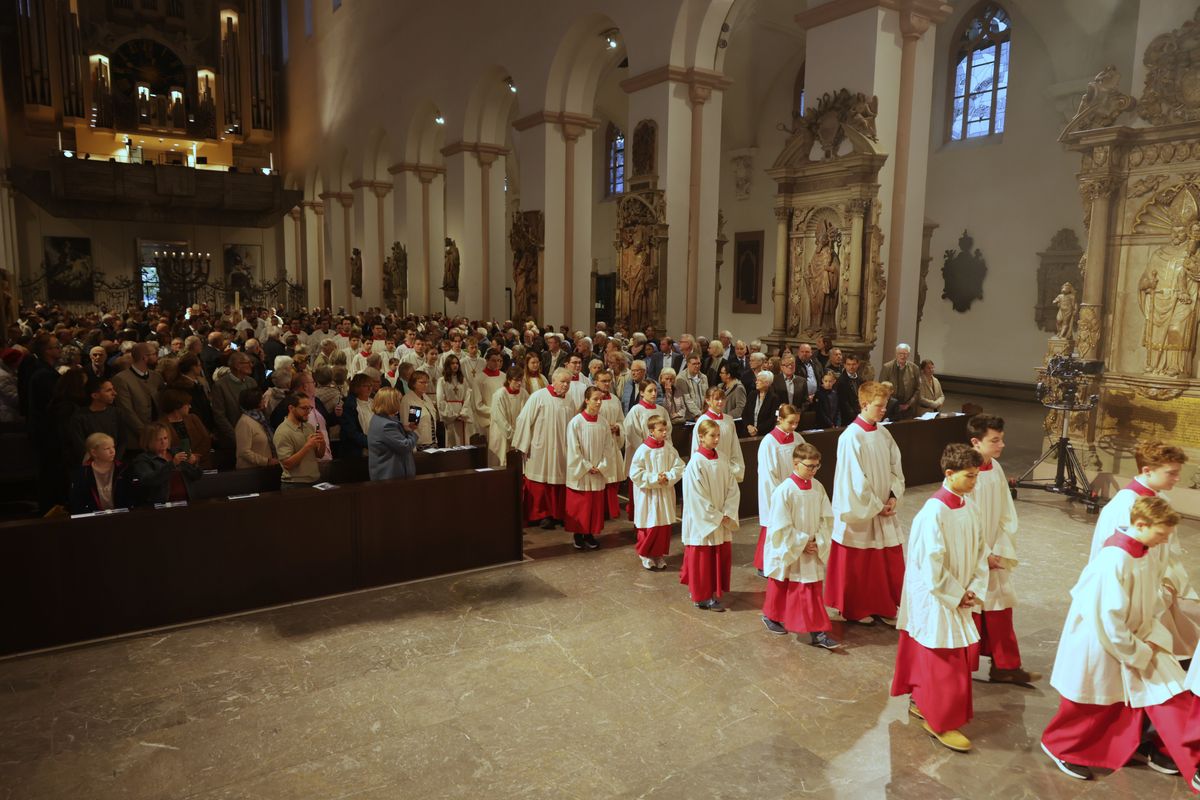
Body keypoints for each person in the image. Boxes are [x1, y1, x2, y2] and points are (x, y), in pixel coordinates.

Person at [1042, 496, 1200, 788]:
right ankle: (1060, 746)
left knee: (1140, 698)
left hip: (1134, 638)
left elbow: (1149, 599)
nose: (1165, 540)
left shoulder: (1142, 552)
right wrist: (1138, 650)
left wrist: (1151, 636)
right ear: (1141, 524)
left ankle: (1146, 745)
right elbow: (1108, 619)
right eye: (1161, 533)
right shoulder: (1114, 560)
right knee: (1090, 703)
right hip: (1100, 643)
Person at [891, 443, 988, 753]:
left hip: (960, 593)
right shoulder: (934, 512)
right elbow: (931, 563)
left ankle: (923, 702)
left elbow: (980, 550)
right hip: (937, 597)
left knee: (943, 658)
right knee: (942, 661)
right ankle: (939, 720)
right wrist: (956, 594)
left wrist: (974, 587)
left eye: (976, 476)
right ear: (949, 474)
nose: (974, 482)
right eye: (970, 476)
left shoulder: (967, 505)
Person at [1088, 440, 1199, 660]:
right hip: (1128, 594)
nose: (1177, 479)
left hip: (1151, 586)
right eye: (1171, 473)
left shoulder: (1155, 498)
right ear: (1147, 471)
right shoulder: (1126, 506)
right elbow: (1122, 557)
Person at [825, 381, 906, 625]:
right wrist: (875, 505)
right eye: (879, 406)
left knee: (884, 559)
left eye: (884, 406)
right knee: (860, 562)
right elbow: (854, 480)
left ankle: (883, 605)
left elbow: (896, 466)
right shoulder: (851, 437)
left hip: (883, 506)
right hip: (863, 510)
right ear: (864, 404)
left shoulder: (883, 432)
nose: (884, 410)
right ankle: (857, 608)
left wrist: (893, 495)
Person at [967, 415, 1041, 684]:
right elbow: (963, 520)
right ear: (976, 442)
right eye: (995, 440)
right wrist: (982, 553)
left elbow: (1005, 513)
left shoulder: (994, 467)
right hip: (972, 557)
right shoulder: (966, 474)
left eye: (1001, 439)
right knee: (970, 611)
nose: (1002, 445)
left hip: (995, 551)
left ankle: (1005, 666)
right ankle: (962, 668)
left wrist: (998, 548)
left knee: (1000, 607)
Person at [761, 442, 839, 649]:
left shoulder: (818, 487)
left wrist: (818, 541)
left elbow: (827, 518)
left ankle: (817, 631)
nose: (813, 471)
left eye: (816, 466)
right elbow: (779, 524)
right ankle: (773, 617)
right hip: (792, 545)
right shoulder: (784, 491)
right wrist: (802, 542)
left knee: (809, 588)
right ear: (796, 464)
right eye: (809, 466)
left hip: (810, 545)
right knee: (783, 582)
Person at [680, 418, 740, 611]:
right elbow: (696, 497)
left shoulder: (722, 458)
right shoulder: (695, 463)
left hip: (721, 516)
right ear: (701, 437)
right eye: (712, 436)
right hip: (705, 521)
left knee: (716, 556)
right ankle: (701, 596)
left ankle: (712, 591)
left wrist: (728, 512)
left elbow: (732, 487)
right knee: (702, 559)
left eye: (718, 436)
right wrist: (716, 516)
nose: (716, 440)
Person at [512, 367, 573, 529]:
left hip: (562, 448)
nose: (566, 385)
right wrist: (523, 446)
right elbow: (524, 420)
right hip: (541, 447)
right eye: (563, 382)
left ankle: (557, 513)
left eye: (569, 382)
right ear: (553, 381)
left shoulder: (570, 400)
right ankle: (540, 514)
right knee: (541, 479)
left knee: (559, 480)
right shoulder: (538, 396)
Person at [629, 414, 685, 571]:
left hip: (664, 493)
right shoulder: (643, 450)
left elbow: (679, 466)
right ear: (651, 431)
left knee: (662, 526)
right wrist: (654, 478)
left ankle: (658, 554)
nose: (665, 433)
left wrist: (667, 476)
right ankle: (645, 554)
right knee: (649, 525)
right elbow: (635, 473)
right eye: (661, 430)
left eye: (665, 430)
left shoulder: (668, 448)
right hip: (648, 495)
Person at [754, 404, 804, 575]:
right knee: (773, 525)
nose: (794, 427)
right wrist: (780, 496)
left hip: (794, 490)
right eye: (791, 423)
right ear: (780, 419)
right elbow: (768, 474)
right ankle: (765, 563)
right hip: (777, 492)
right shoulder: (769, 442)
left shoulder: (797, 438)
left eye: (797, 422)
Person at [565, 386, 610, 551]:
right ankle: (578, 535)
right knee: (581, 505)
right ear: (586, 400)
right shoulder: (576, 422)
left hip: (597, 470)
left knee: (594, 505)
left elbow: (608, 447)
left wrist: (601, 465)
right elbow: (572, 448)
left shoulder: (603, 422)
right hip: (582, 471)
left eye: (601, 400)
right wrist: (586, 466)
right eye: (595, 399)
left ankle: (590, 534)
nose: (598, 403)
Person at [129, 421, 200, 505]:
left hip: (188, 501)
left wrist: (193, 463)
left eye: (165, 438)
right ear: (148, 441)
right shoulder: (143, 459)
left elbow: (197, 476)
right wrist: (172, 464)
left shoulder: (177, 452)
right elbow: (149, 480)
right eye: (159, 439)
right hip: (161, 505)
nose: (163, 442)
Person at [111, 342, 163, 449]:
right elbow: (126, 411)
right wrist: (146, 434)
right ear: (145, 357)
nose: (157, 357)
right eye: (154, 354)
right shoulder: (121, 379)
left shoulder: (156, 376)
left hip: (159, 436)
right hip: (136, 440)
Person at [690, 385, 746, 482]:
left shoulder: (729, 420)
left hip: (728, 471)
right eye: (716, 399)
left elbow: (735, 448)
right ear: (708, 401)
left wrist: (735, 469)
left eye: (722, 399)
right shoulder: (702, 421)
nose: (720, 402)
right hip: (710, 472)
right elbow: (696, 449)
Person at [591, 369, 626, 520]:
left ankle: (612, 510)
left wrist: (617, 427)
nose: (606, 383)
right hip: (598, 444)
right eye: (603, 381)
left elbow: (621, 420)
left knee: (613, 478)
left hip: (612, 442)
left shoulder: (615, 399)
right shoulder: (592, 399)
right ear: (595, 382)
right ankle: (600, 510)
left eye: (608, 381)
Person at [273, 393, 326, 489]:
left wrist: (322, 443)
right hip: (295, 483)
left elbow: (319, 455)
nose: (308, 412)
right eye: (304, 408)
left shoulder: (308, 427)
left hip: (315, 479)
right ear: (291, 408)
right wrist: (307, 446)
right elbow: (287, 464)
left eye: (309, 408)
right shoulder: (282, 431)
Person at [68, 432, 129, 514]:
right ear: (94, 452)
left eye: (113, 447)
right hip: (94, 518)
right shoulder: (82, 473)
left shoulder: (123, 469)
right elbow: (77, 500)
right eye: (107, 448)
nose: (112, 451)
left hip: (122, 515)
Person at [367, 386, 420, 480]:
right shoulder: (386, 425)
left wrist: (406, 429)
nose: (400, 403)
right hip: (390, 475)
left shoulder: (379, 418)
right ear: (391, 403)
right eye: (398, 401)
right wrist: (413, 433)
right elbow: (405, 446)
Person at [67, 376, 122, 465]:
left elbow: (122, 440)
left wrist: (115, 460)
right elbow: (80, 445)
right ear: (95, 395)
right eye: (108, 390)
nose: (114, 393)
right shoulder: (80, 417)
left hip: (114, 463)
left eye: (113, 389)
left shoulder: (116, 413)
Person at [212, 351, 258, 448]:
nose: (251, 365)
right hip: (234, 437)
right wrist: (236, 437)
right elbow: (219, 416)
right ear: (237, 366)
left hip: (255, 434)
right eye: (248, 363)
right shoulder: (220, 386)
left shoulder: (252, 382)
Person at [159, 387, 213, 469]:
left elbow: (206, 439)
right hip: (176, 468)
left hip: (201, 465)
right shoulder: (161, 425)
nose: (190, 406)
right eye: (187, 404)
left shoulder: (193, 418)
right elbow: (162, 448)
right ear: (177, 406)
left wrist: (195, 457)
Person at [487, 367, 526, 467]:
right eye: (516, 380)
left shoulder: (524, 393)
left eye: (521, 380)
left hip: (517, 436)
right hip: (502, 435)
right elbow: (500, 419)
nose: (519, 383)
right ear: (509, 380)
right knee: (501, 464)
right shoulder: (499, 395)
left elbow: (526, 414)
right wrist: (513, 435)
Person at [235, 387, 278, 469]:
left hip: (264, 469)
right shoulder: (244, 423)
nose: (264, 400)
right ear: (254, 401)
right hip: (250, 472)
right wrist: (266, 461)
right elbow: (244, 451)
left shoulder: (261, 419)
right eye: (261, 398)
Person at [471, 351, 507, 444]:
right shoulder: (479, 379)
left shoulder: (504, 377)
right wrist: (495, 412)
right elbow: (477, 404)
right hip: (489, 420)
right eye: (493, 360)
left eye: (499, 361)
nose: (497, 363)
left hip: (504, 419)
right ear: (487, 361)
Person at [437, 354, 472, 446]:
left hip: (462, 414)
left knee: (463, 440)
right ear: (448, 365)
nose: (455, 365)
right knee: (451, 440)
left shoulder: (463, 380)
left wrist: (463, 413)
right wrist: (452, 415)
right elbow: (440, 400)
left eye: (457, 363)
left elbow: (468, 397)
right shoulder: (442, 381)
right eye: (452, 363)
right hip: (450, 414)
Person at [879, 344, 921, 420]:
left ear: (908, 354)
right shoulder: (887, 367)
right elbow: (882, 388)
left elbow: (918, 389)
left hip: (908, 408)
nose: (902, 356)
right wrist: (892, 404)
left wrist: (908, 404)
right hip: (890, 409)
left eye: (905, 354)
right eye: (900, 353)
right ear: (896, 354)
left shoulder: (915, 368)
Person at [399, 370, 438, 447]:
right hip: (419, 443)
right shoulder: (407, 400)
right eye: (422, 382)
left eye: (427, 382)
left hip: (432, 441)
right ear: (413, 383)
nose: (425, 385)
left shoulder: (426, 397)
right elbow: (405, 425)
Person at [834, 354, 864, 436]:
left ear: (858, 365)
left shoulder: (861, 380)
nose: (851, 367)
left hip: (860, 414)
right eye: (849, 364)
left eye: (854, 364)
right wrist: (855, 416)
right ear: (844, 365)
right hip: (847, 418)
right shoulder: (841, 381)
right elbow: (843, 402)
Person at [744, 370, 780, 439]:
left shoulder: (774, 398)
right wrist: (749, 426)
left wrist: (757, 429)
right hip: (748, 432)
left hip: (765, 434)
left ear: (767, 383)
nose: (756, 382)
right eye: (756, 380)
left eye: (759, 380)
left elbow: (772, 418)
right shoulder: (752, 394)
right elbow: (744, 414)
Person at [680, 355, 709, 421]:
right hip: (688, 417)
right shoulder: (681, 378)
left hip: (702, 414)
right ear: (688, 364)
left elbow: (707, 396)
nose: (697, 366)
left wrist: (705, 412)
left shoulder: (704, 377)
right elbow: (687, 400)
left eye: (698, 363)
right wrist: (698, 414)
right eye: (694, 364)